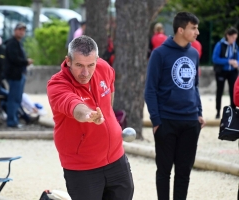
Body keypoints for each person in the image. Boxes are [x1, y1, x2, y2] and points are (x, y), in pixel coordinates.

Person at [47, 35, 134, 200]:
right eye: (79, 65)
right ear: (68, 61)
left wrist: (109, 118)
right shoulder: (57, 85)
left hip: (116, 159)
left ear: (97, 60)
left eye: (90, 65)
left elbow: (110, 88)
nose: (85, 72)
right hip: (83, 168)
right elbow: (74, 105)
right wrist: (88, 114)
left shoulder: (103, 67)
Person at [144, 12, 206, 200]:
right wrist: (156, 121)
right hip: (166, 122)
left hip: (190, 122)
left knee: (184, 174)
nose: (197, 32)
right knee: (164, 172)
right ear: (181, 30)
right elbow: (150, 90)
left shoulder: (194, 53)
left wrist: (199, 113)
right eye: (193, 28)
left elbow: (194, 86)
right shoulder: (159, 54)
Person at [4, 23, 33, 128]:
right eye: (19, 29)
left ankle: (14, 120)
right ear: (15, 30)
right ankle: (12, 121)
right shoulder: (12, 43)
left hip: (19, 74)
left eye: (23, 30)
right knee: (14, 99)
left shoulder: (17, 43)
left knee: (17, 98)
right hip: (15, 75)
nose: (21, 32)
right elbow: (14, 59)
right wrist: (26, 62)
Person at [212, 27, 239, 119]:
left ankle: (233, 111)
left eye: (235, 38)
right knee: (220, 91)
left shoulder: (235, 45)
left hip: (232, 72)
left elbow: (237, 57)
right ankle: (218, 111)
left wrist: (236, 63)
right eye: (233, 38)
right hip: (221, 71)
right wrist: (228, 61)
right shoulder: (220, 45)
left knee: (233, 91)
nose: (234, 40)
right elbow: (215, 59)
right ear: (228, 36)